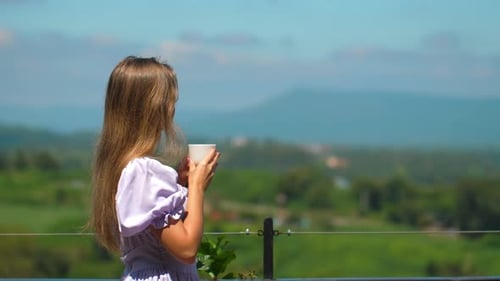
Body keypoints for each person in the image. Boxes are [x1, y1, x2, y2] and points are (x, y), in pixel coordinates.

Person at [90, 56, 220, 281]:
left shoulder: (124, 169)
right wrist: (197, 188)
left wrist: (180, 186)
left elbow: (156, 232)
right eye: (170, 102)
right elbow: (186, 249)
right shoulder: (144, 172)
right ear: (154, 107)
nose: (172, 111)